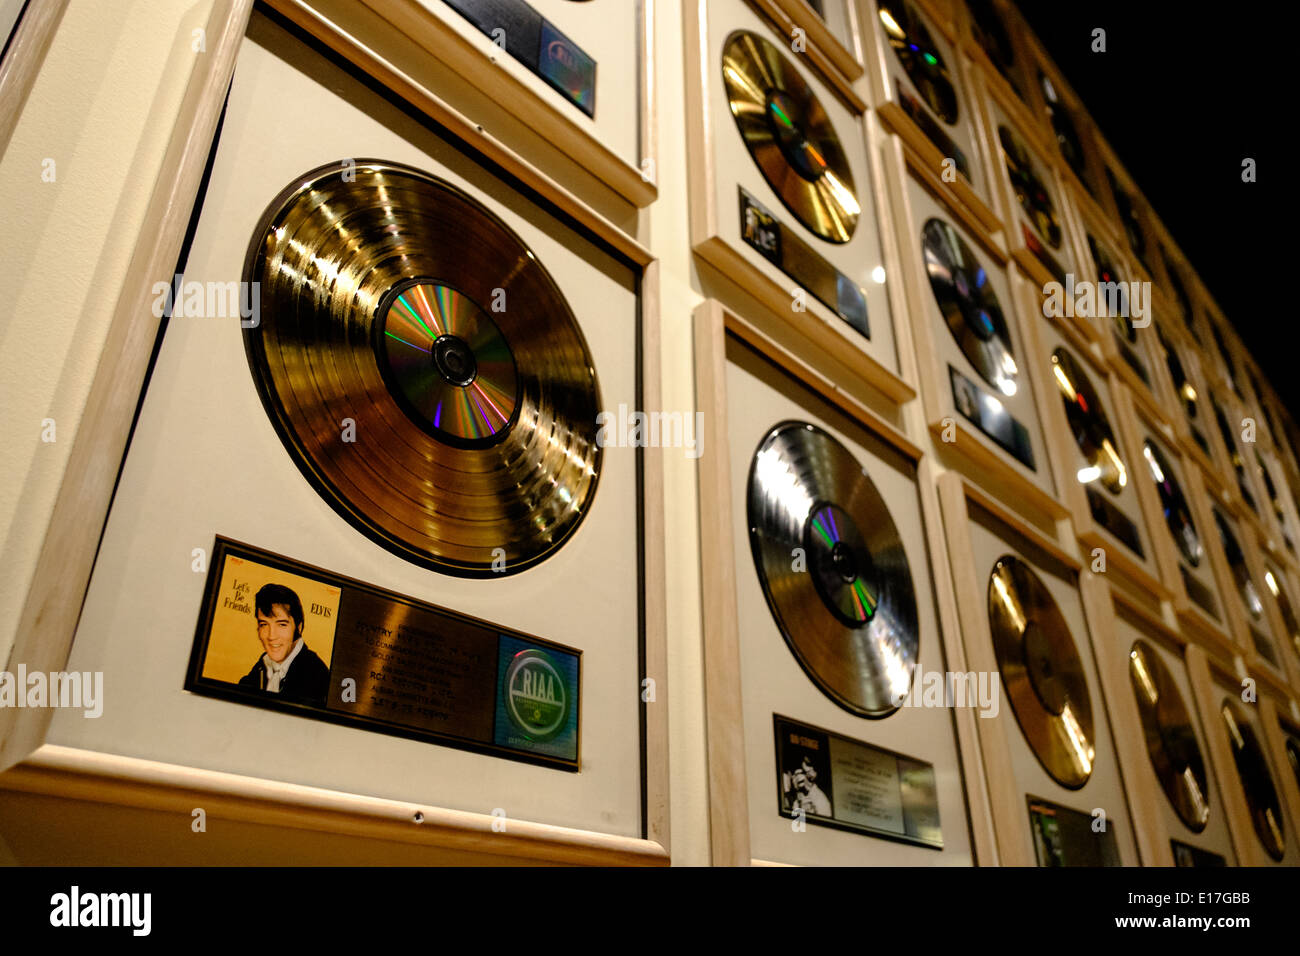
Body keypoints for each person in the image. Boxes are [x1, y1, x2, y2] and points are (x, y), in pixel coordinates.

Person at [238, 583, 330, 706]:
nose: (271, 636)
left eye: (282, 624)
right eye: (264, 624)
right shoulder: (260, 668)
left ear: (299, 627)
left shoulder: (317, 677)